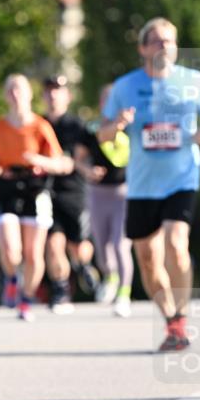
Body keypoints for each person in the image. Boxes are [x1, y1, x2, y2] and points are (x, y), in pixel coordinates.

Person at [100, 17, 200, 351]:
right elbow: (102, 133)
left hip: (182, 177)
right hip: (142, 184)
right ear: (142, 48)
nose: (163, 46)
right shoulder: (125, 86)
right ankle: (170, 319)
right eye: (155, 40)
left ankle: (181, 317)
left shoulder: (192, 80)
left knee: (176, 244)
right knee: (148, 260)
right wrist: (118, 125)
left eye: (169, 41)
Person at [0, 74, 70, 321]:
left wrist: (39, 161)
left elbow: (61, 164)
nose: (15, 94)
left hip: (35, 189)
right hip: (6, 188)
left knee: (34, 254)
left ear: (29, 94)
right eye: (11, 89)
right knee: (12, 251)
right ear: (5, 95)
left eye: (20, 89)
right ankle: (12, 278)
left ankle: (26, 298)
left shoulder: (40, 126)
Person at [74, 84, 134, 317]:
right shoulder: (91, 128)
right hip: (98, 194)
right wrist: (88, 170)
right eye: (106, 101)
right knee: (102, 248)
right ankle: (110, 276)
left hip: (125, 193)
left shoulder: (131, 129)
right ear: (101, 104)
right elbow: (78, 160)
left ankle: (124, 295)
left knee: (121, 244)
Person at [42, 75, 99, 313]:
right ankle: (60, 290)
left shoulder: (78, 126)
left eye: (59, 90)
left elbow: (94, 152)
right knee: (54, 245)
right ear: (44, 95)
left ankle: (84, 265)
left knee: (79, 246)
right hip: (46, 192)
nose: (54, 94)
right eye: (49, 90)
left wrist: (86, 166)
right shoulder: (39, 124)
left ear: (68, 95)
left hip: (74, 192)